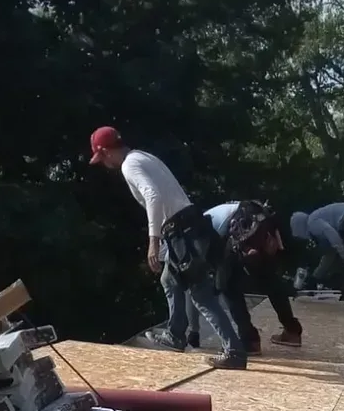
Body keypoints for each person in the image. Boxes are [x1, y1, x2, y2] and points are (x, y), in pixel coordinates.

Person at [88, 126, 247, 369]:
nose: (104, 164)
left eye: (102, 158)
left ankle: (230, 351)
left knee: (201, 295)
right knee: (170, 280)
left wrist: (153, 241)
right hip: (190, 227)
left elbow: (153, 196)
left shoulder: (129, 165)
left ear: (106, 151)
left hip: (182, 231)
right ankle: (176, 335)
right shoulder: (143, 156)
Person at [206, 201, 304, 351]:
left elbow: (214, 255)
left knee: (228, 285)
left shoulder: (203, 224)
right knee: (270, 280)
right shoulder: (215, 213)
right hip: (261, 229)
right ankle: (292, 330)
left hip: (244, 232)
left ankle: (249, 340)